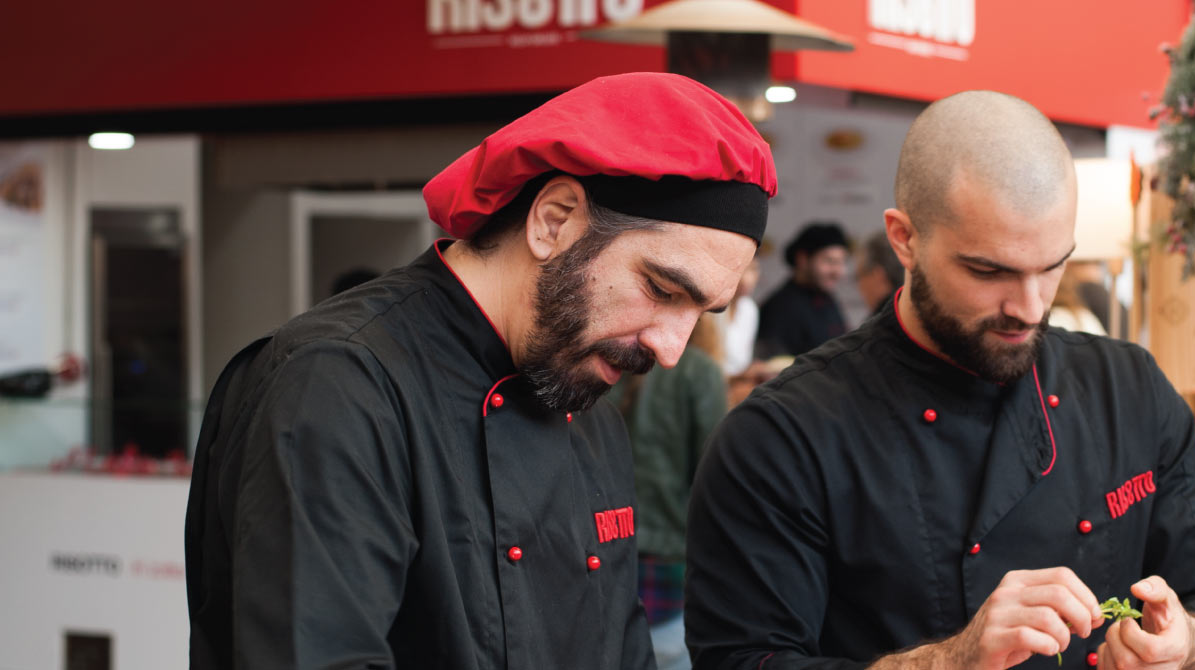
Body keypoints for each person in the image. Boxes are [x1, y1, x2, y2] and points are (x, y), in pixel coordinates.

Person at [184, 72, 777, 669]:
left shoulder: (585, 403)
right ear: (554, 220)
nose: (672, 351)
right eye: (661, 289)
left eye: (703, 312)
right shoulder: (339, 382)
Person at [685, 91, 1195, 670]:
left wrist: (1188, 643)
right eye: (989, 271)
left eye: (1052, 266)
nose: (1029, 308)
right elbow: (740, 661)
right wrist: (952, 661)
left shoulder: (1129, 389)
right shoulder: (782, 435)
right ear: (904, 239)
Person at [607, 315, 729, 670]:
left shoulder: (608, 359)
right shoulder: (699, 372)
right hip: (671, 568)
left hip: (604, 561)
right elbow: (714, 486)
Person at [756, 222, 849, 357]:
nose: (838, 272)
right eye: (829, 261)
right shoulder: (780, 307)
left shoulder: (828, 299)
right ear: (802, 259)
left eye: (841, 262)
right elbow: (776, 365)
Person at [855, 231, 906, 316]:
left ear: (877, 275)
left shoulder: (882, 320)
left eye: (859, 277)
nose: (859, 287)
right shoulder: (921, 313)